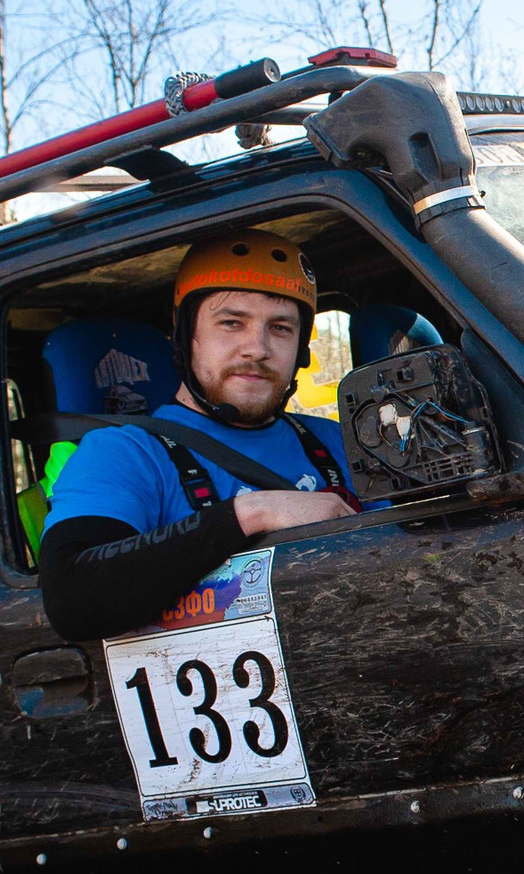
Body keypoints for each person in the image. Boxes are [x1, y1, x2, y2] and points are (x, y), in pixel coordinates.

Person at [39, 231, 359, 641]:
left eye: (280, 328)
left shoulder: (337, 440)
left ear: (300, 349)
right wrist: (251, 513)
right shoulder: (123, 453)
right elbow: (72, 597)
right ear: (186, 335)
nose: (257, 348)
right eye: (231, 323)